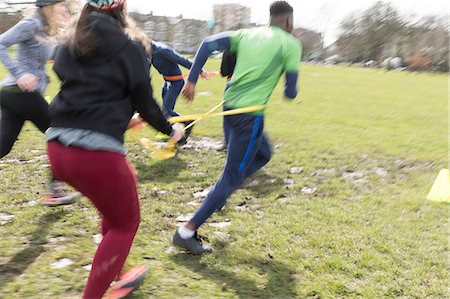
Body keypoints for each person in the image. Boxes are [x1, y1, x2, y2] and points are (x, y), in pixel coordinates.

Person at [45, 0, 184, 297]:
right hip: (94, 155)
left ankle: (118, 273)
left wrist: (118, 116)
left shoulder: (72, 39)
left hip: (57, 147)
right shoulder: (129, 46)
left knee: (113, 210)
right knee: (126, 223)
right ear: (121, 10)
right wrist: (172, 129)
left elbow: (73, 79)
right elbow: (145, 102)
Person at [173, 0, 302, 254]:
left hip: (229, 110)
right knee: (232, 176)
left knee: (263, 154)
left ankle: (220, 194)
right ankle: (186, 231)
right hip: (249, 117)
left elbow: (207, 44)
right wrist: (291, 86)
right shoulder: (291, 44)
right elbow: (290, 92)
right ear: (288, 21)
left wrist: (191, 79)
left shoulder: (246, 34)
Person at [0, 0, 80, 206]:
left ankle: (56, 189)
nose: (65, 9)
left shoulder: (45, 29)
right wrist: (20, 73)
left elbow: (59, 55)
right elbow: (1, 43)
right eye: (61, 5)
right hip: (20, 92)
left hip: (16, 94)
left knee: (3, 146)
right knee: (60, 134)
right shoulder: (32, 24)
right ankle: (55, 191)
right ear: (50, 6)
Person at [151, 41, 211, 141]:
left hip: (176, 83)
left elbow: (182, 60)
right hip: (166, 82)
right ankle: (174, 131)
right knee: (167, 111)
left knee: (166, 110)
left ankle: (187, 123)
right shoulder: (148, 53)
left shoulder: (162, 50)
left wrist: (200, 71)